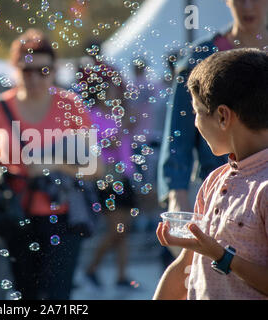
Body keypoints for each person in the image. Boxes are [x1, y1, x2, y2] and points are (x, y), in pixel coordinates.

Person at [0, 29, 96, 300]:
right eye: (28, 70)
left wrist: (54, 164)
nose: (36, 77)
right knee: (23, 294)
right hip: (15, 215)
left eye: (44, 70)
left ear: (54, 70)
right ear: (15, 69)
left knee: (57, 295)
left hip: (63, 217)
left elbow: (97, 167)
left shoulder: (70, 105)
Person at [154, 48, 268, 300]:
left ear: (222, 116)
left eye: (196, 111)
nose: (195, 122)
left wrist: (221, 256)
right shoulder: (216, 180)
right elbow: (185, 267)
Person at [158, 0, 268, 218]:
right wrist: (176, 195)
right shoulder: (202, 57)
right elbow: (178, 134)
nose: (247, 7)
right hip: (222, 193)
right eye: (240, 0)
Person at [79, 57, 137, 288]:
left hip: (123, 174)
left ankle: (122, 275)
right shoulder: (91, 114)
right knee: (117, 229)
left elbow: (125, 145)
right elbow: (89, 145)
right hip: (106, 175)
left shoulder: (117, 113)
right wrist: (108, 141)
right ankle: (91, 268)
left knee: (125, 229)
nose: (114, 91)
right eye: (109, 87)